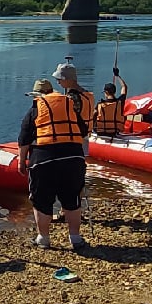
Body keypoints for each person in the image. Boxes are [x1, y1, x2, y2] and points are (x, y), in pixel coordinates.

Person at [17, 78, 90, 250]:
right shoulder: (69, 107)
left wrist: (22, 162)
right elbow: (83, 132)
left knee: (41, 200)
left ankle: (43, 238)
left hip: (44, 160)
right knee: (72, 199)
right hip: (73, 159)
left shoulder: (35, 109)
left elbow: (24, 140)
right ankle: (75, 238)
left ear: (38, 95)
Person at [91, 70, 129, 137]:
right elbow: (124, 87)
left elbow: (93, 116)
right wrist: (117, 76)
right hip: (115, 131)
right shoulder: (120, 102)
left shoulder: (99, 105)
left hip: (101, 132)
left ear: (106, 92)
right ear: (114, 92)